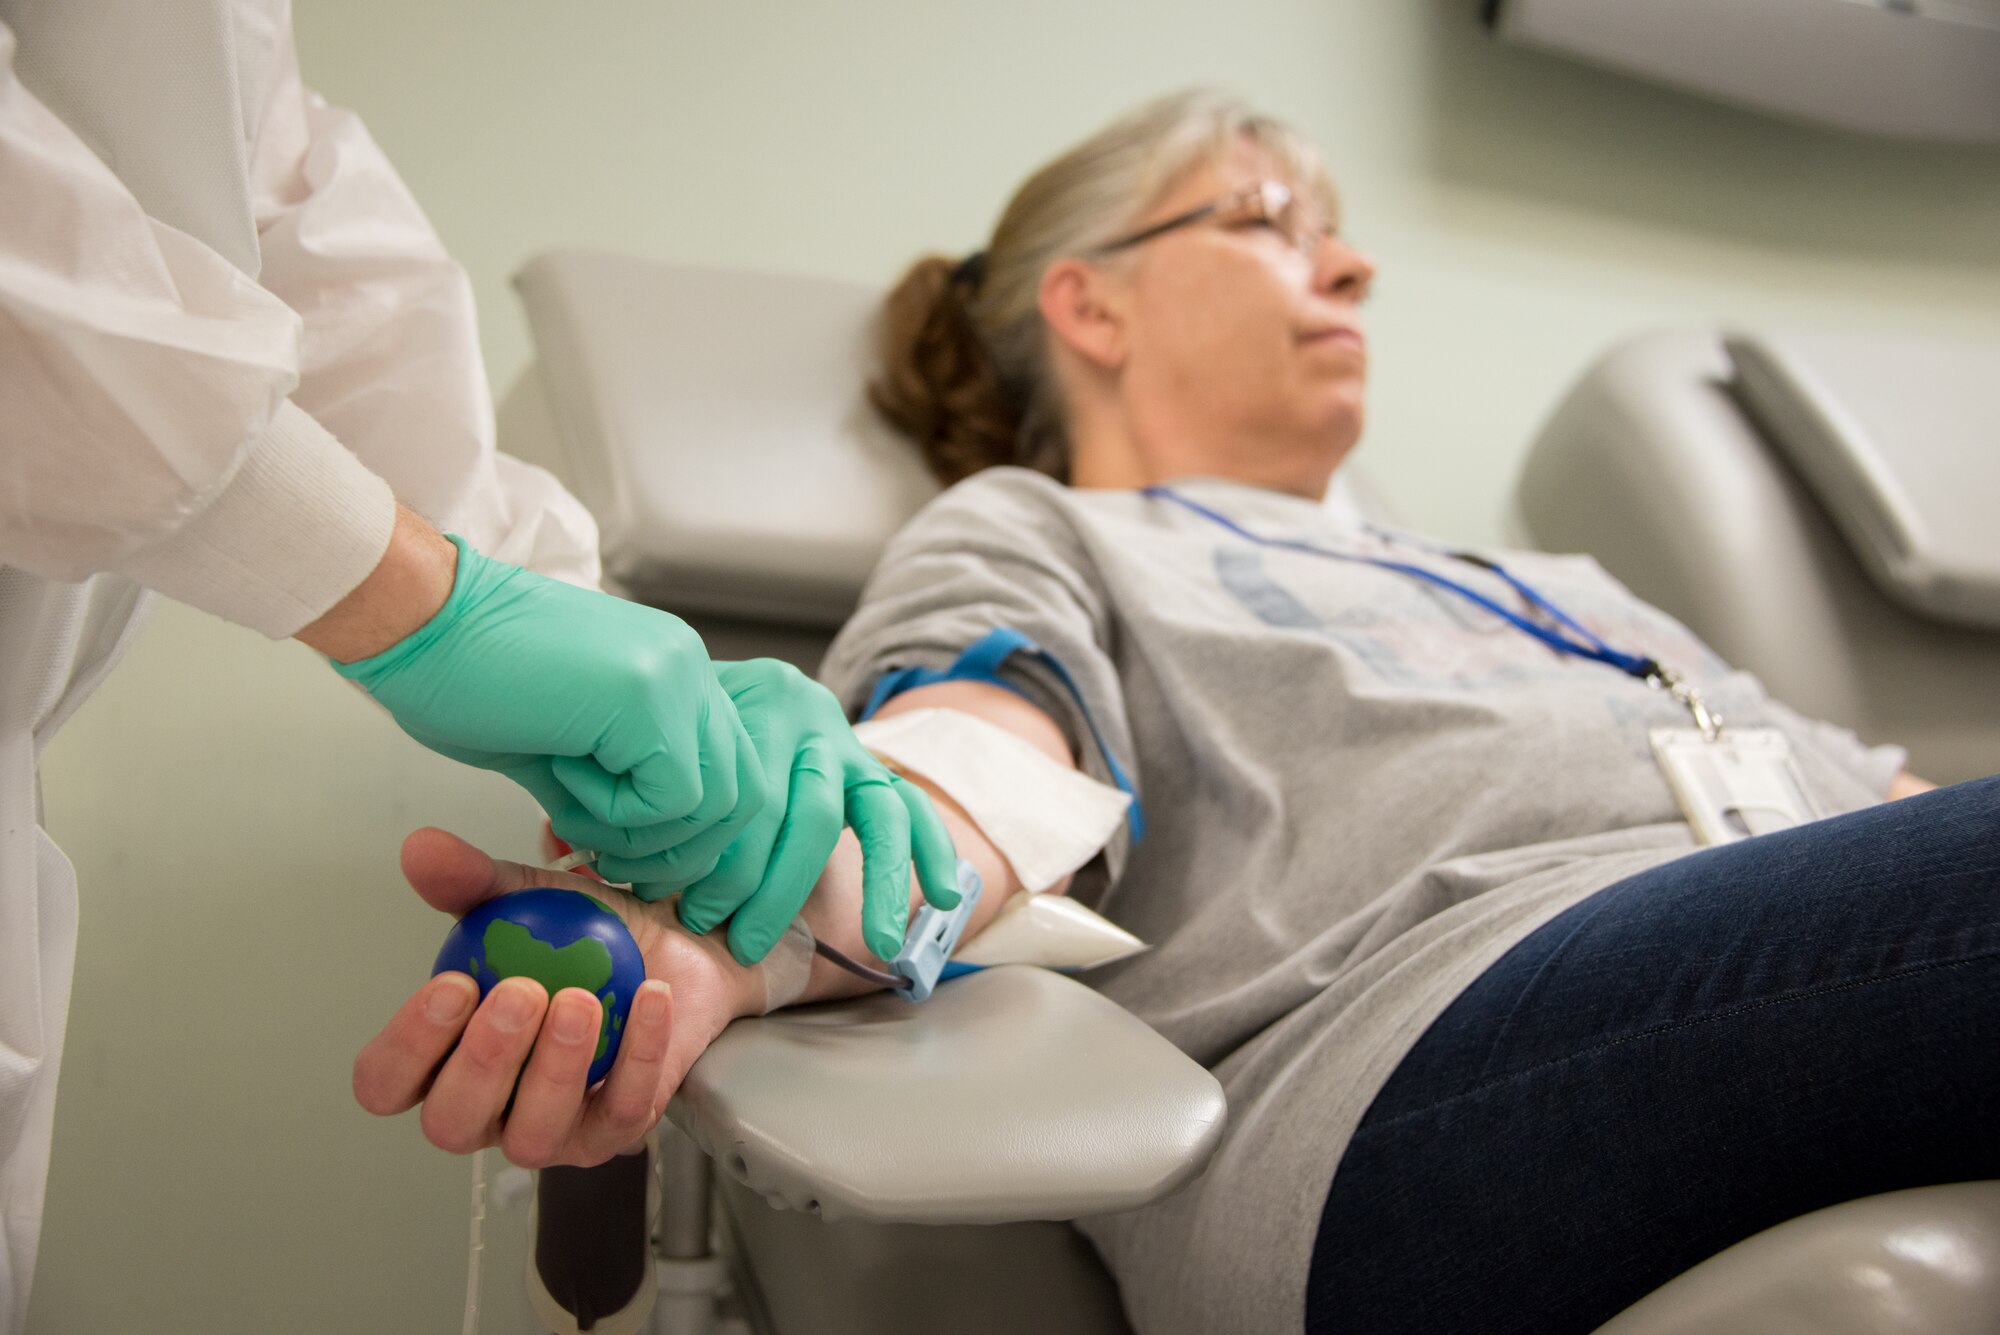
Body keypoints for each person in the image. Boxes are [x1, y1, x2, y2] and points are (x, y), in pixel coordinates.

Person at [357, 88, 1997, 1334]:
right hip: (1425, 1065)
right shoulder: (1037, 527)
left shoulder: (1566, 581)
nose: (1349, 259)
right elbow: (967, 775)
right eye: (1271, 220)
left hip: (1808, 961)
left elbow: (1908, 823)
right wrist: (730, 934)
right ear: (1094, 304)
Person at [0, 3, 952, 1327]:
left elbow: (272, 199)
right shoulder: (1019, 539)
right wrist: (414, 595)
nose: (1351, 266)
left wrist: (555, 604)